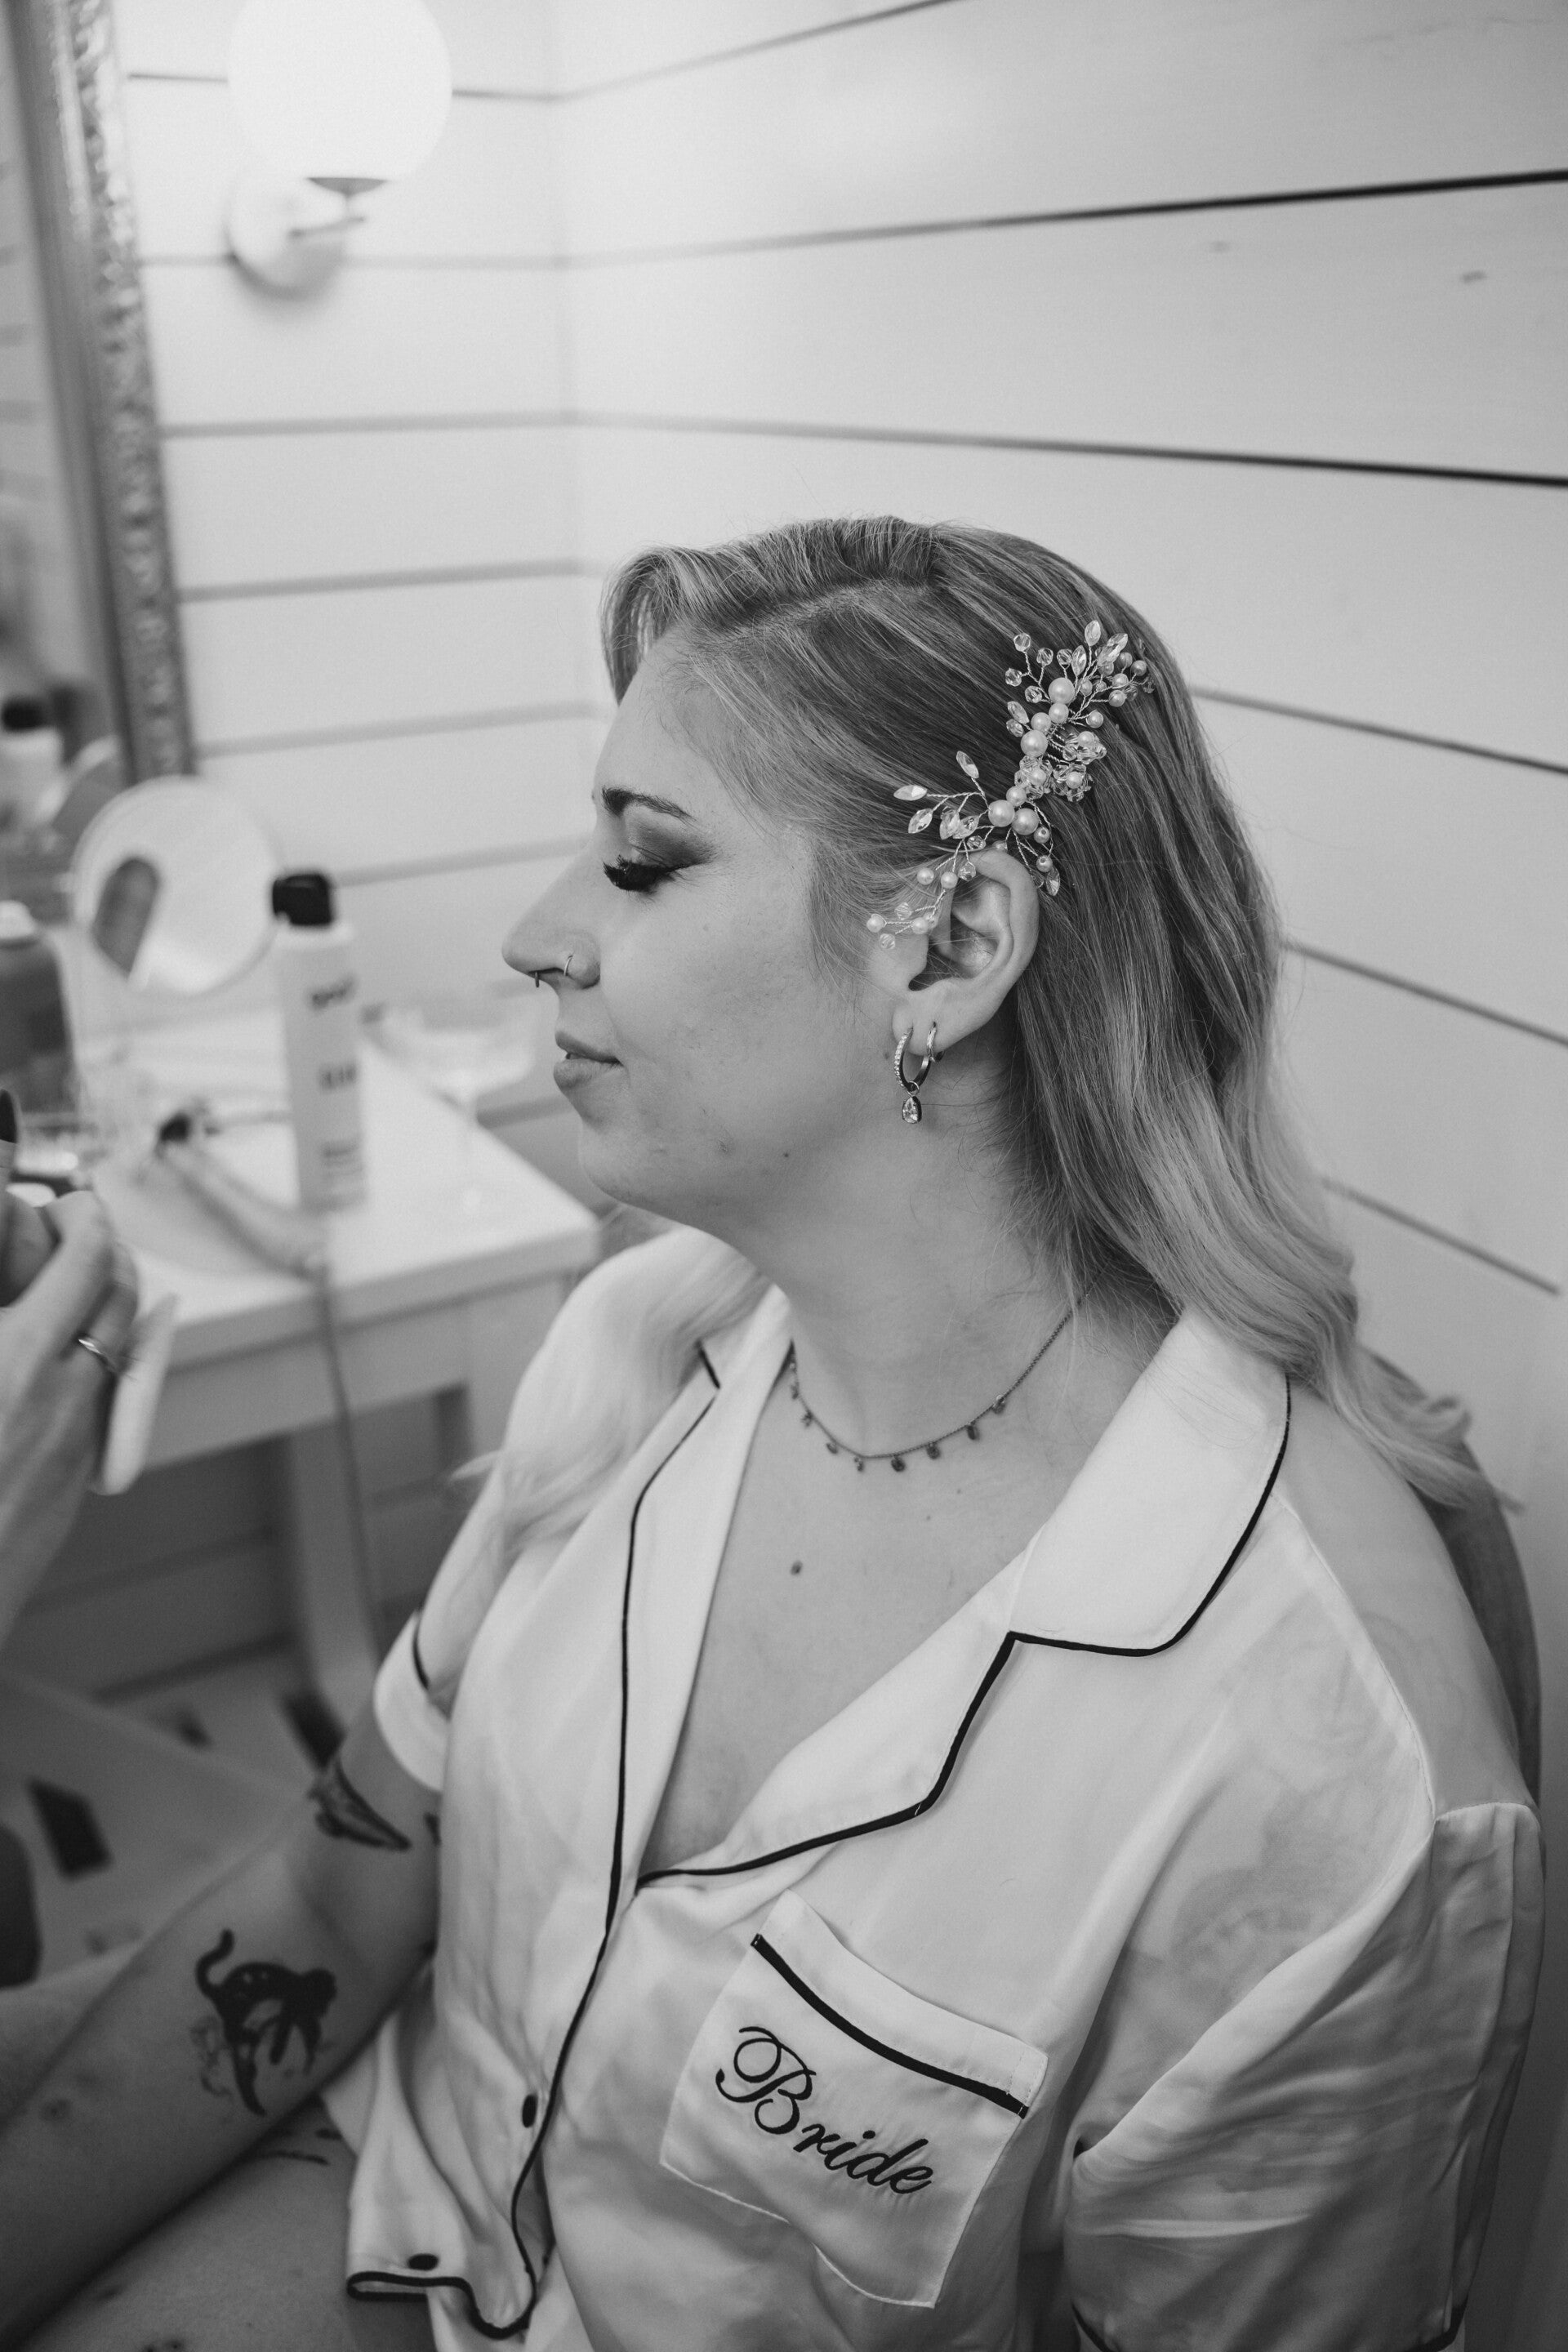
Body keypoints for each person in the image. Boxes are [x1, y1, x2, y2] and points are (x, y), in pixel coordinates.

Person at [0, 520, 1541, 2351]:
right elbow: (335, 1905)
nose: (537, 937)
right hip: (396, 2185)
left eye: (642, 862)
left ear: (948, 944)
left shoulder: (1318, 1773)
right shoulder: (633, 1348)